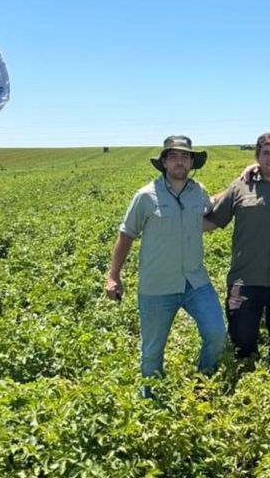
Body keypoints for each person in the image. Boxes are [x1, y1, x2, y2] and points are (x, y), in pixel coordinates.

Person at [105, 135, 226, 399]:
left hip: (195, 281)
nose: (179, 161)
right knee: (152, 352)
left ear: (192, 161)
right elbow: (126, 234)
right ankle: (150, 403)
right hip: (157, 286)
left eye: (185, 156)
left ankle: (202, 388)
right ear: (164, 162)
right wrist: (113, 276)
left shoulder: (198, 191)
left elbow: (210, 209)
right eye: (173, 156)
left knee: (217, 335)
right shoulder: (145, 196)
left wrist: (241, 182)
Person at [206, 132, 270, 361]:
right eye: (265, 153)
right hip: (245, 280)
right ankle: (244, 394)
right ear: (257, 156)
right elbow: (213, 220)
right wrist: (173, 225)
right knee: (242, 347)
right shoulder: (241, 185)